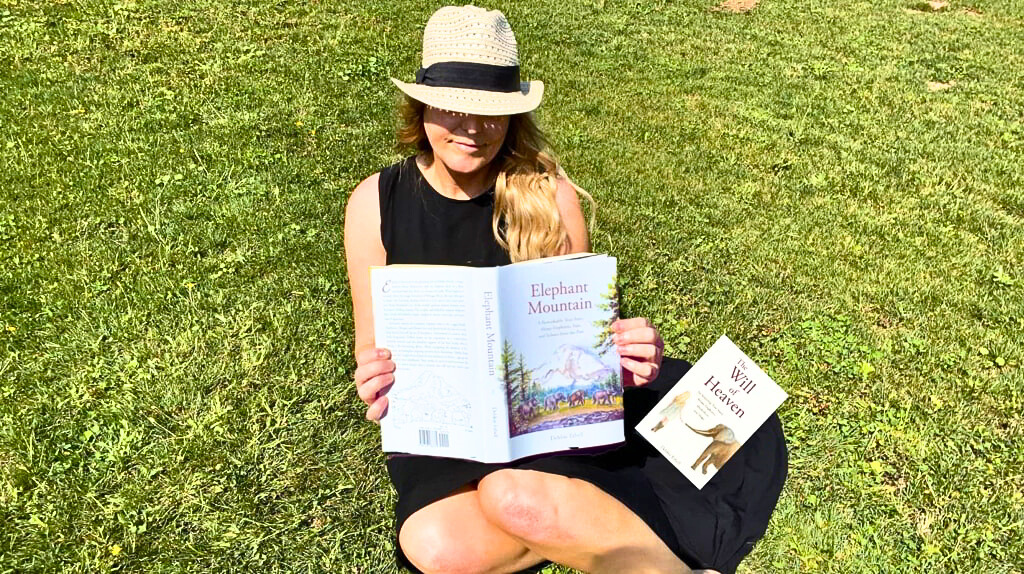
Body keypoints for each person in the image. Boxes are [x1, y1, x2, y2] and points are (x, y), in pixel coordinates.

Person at [343, 6, 787, 573]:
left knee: (514, 499)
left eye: (493, 113)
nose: (473, 128)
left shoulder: (547, 194)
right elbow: (372, 347)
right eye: (454, 107)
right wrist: (374, 379)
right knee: (437, 546)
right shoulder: (374, 202)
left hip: (548, 425)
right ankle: (593, 528)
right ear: (422, 105)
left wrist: (625, 355)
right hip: (444, 433)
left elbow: (589, 340)